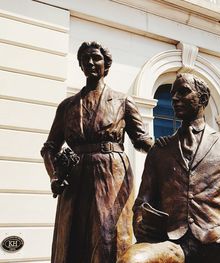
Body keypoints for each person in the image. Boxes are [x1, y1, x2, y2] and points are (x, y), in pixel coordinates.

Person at [119, 73, 220, 263]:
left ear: (203, 99)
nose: (175, 98)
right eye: (173, 94)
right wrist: (141, 223)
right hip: (170, 242)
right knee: (131, 261)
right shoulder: (160, 151)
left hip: (217, 241)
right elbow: (142, 201)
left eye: (183, 92)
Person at [41, 41, 153, 263]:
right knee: (73, 237)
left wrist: (167, 150)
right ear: (81, 65)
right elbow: (49, 148)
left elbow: (140, 139)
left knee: (108, 237)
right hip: (74, 178)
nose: (91, 62)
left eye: (96, 58)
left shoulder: (123, 101)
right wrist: (54, 175)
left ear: (106, 64)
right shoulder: (67, 106)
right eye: (86, 59)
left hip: (111, 174)